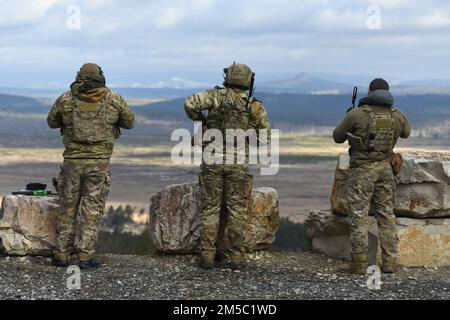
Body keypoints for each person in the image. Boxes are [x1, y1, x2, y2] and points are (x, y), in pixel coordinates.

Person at [47, 63, 135, 269]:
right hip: (99, 163)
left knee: (68, 206)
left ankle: (61, 255)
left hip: (72, 162)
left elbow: (51, 122)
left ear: (80, 77)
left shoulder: (66, 98)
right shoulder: (113, 98)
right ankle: (85, 256)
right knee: (92, 209)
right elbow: (129, 122)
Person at [184, 63, 271, 269]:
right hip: (238, 163)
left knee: (210, 208)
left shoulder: (214, 96)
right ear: (248, 80)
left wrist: (202, 120)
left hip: (212, 160)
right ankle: (237, 258)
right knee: (237, 210)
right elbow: (265, 138)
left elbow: (189, 104)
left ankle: (206, 256)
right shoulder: (254, 105)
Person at [333, 78, 411, 274]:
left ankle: (359, 264)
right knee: (386, 215)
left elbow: (337, 137)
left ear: (369, 91)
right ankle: (390, 263)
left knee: (359, 217)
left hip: (362, 170)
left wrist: (351, 118)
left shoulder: (358, 114)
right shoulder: (397, 115)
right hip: (386, 170)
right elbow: (407, 133)